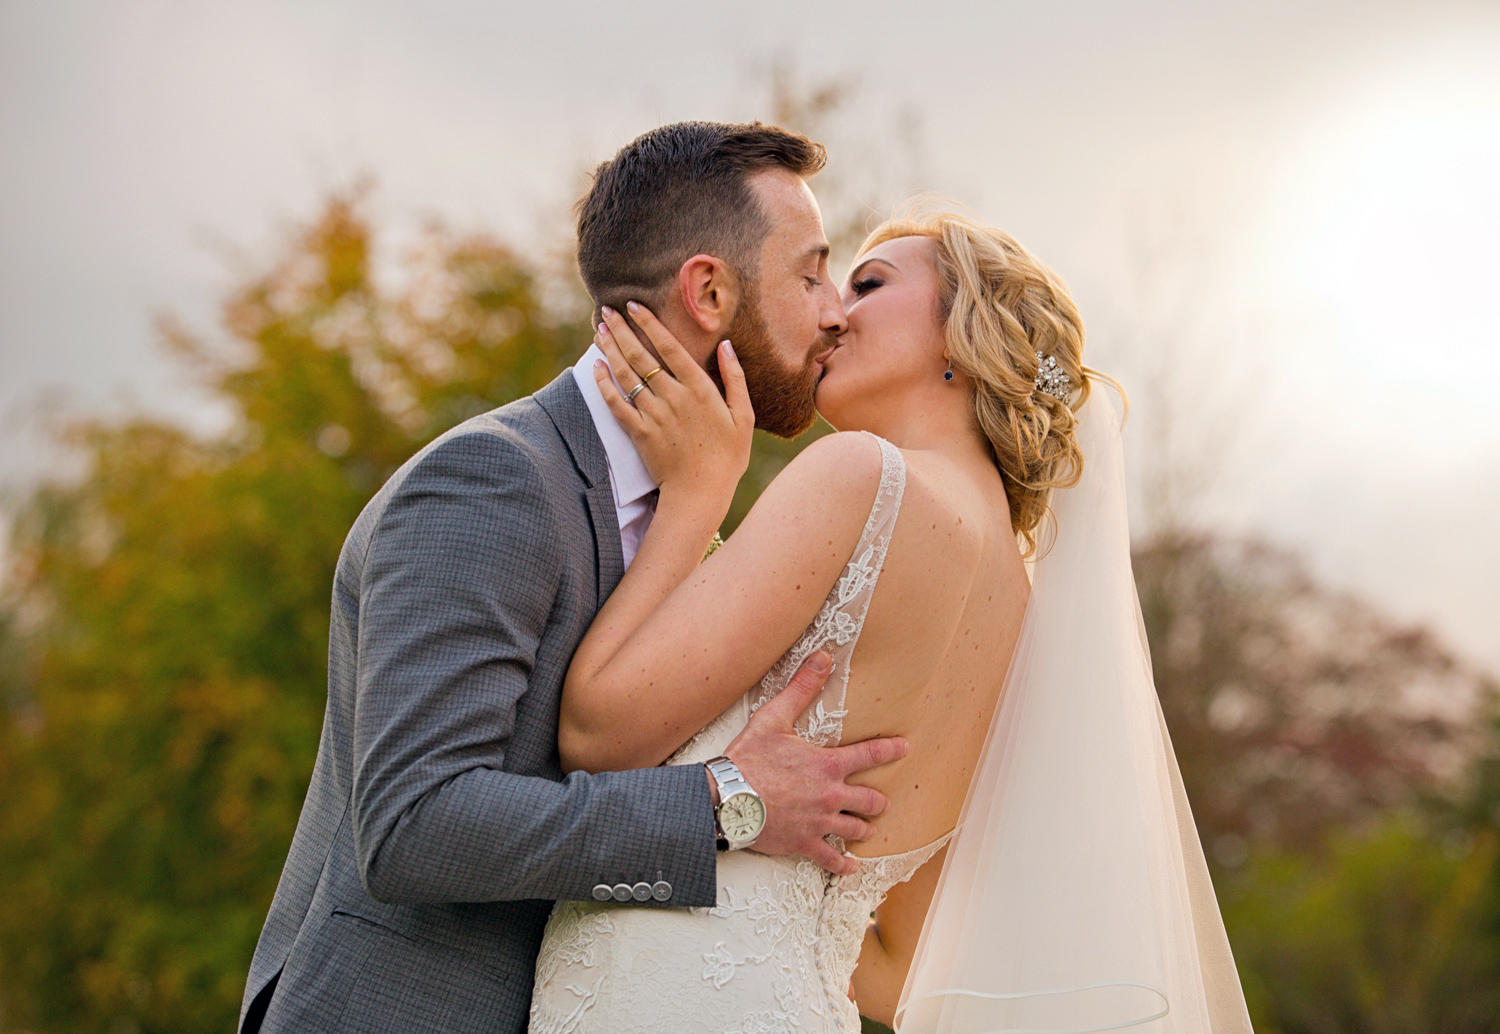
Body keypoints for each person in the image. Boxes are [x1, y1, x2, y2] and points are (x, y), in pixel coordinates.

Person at [236, 122, 911, 1034]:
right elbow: (414, 826)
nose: (836, 310)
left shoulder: (685, 501)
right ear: (708, 290)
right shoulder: (491, 481)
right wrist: (728, 801)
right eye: (809, 274)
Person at [528, 206, 1254, 1033]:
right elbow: (904, 975)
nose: (834, 311)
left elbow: (596, 732)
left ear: (963, 333)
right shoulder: (1027, 616)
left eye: (869, 285)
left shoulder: (857, 477)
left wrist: (695, 497)